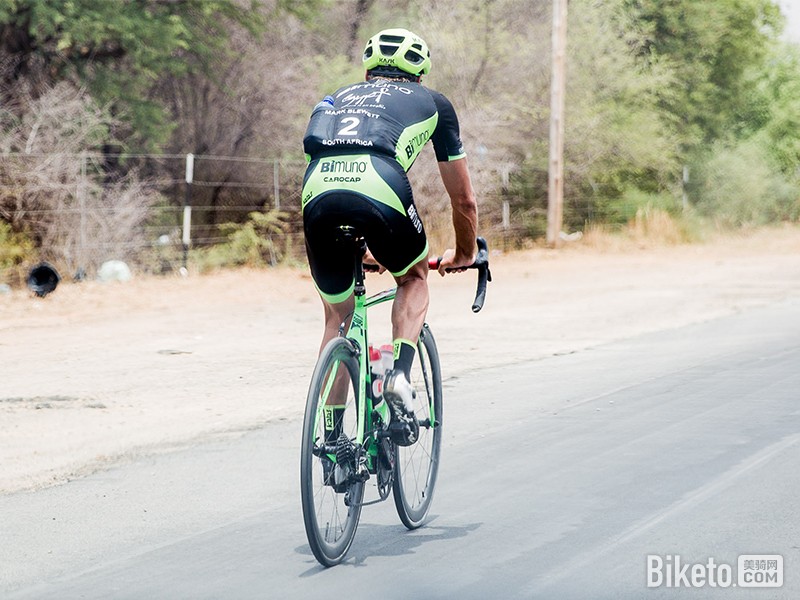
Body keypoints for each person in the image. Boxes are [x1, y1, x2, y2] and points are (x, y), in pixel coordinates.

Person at [301, 27, 478, 443]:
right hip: (379, 181)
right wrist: (464, 253)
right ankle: (398, 376)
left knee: (338, 318)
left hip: (317, 188)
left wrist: (363, 244)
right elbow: (464, 200)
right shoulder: (433, 102)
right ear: (420, 74)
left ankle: (331, 438)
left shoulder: (335, 97)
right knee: (413, 277)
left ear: (368, 72)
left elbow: (331, 167)